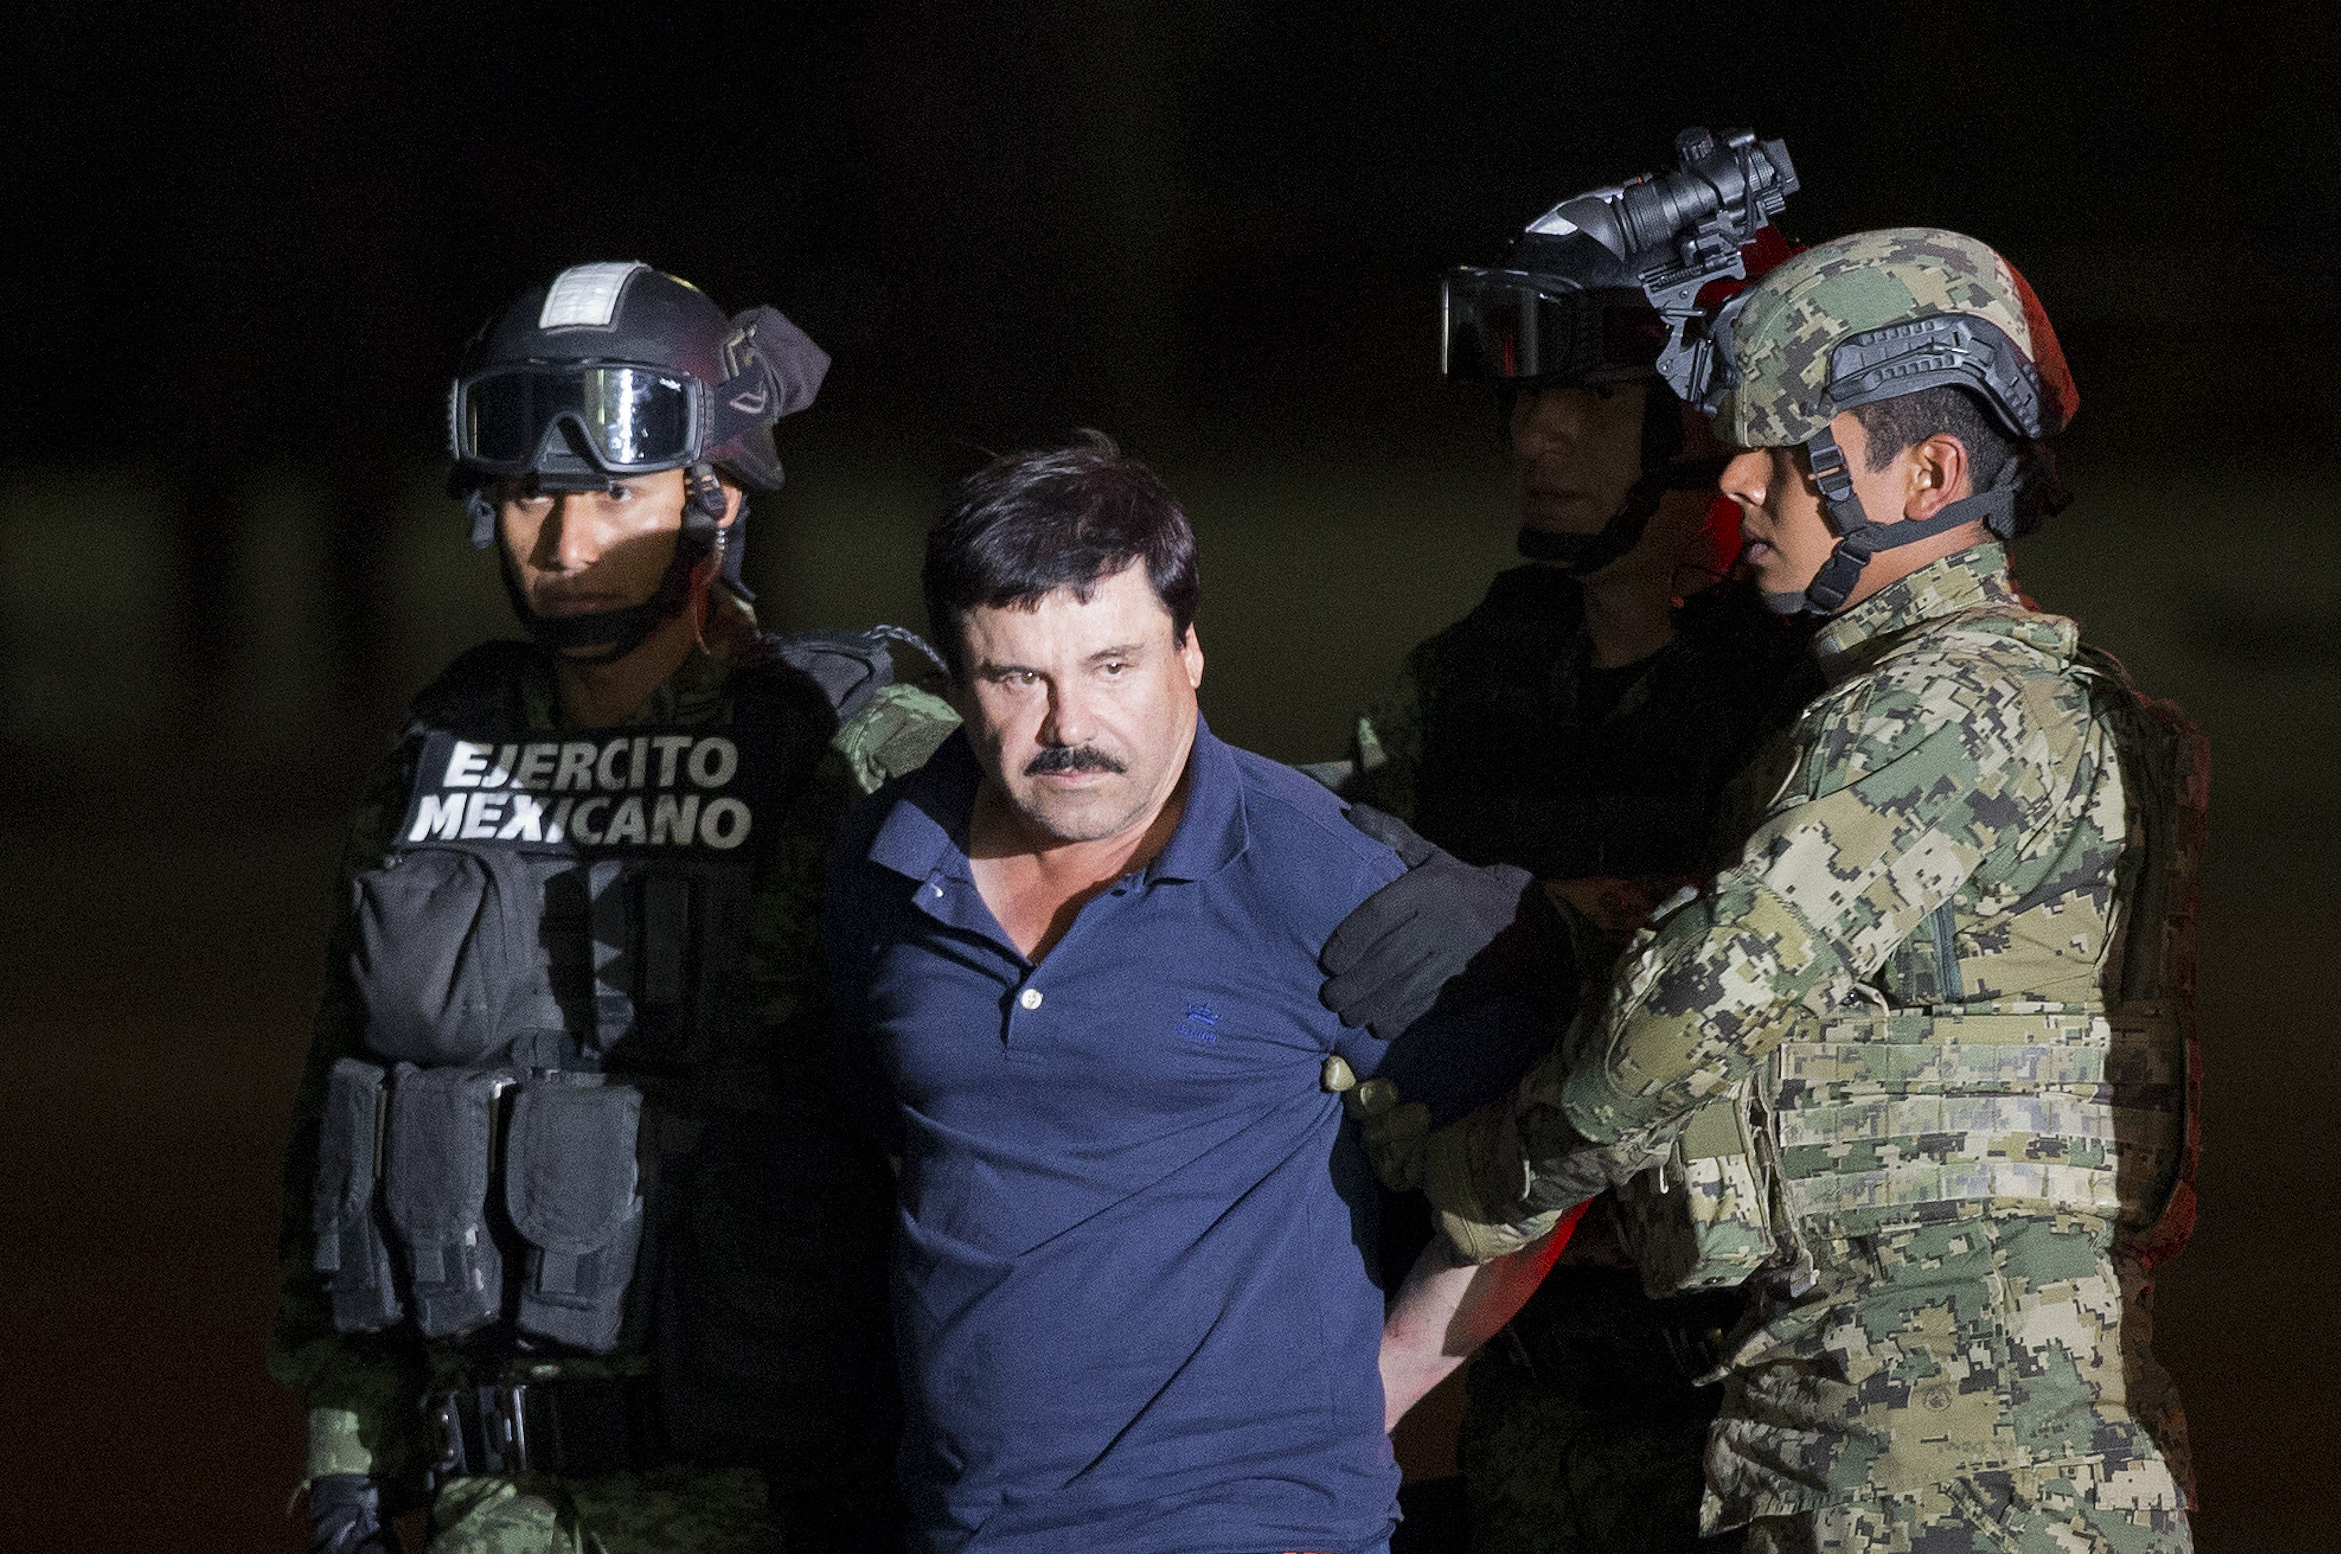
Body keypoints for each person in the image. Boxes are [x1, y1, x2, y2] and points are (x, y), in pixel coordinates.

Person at [1364, 229, 2202, 1554]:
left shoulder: (1940, 712)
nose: (1738, 481)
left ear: (1930, 473)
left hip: (1909, 1455)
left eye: (1791, 452)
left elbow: (1674, 1026)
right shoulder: (1985, 694)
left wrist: (1450, 1168)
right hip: (1952, 1436)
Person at [268, 260, 958, 1554]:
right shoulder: (443, 751)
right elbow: (345, 1108)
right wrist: (349, 1451)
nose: (564, 542)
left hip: (773, 1500)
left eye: (610, 494)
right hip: (495, 1507)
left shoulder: (851, 749)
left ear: (715, 496)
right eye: (528, 491)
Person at [824, 434, 1489, 1554]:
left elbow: (1552, 1154)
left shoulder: (1324, 878)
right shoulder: (887, 864)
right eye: (1016, 677)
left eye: (1112, 665)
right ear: (954, 682)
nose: (1069, 725)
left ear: (1188, 653)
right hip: (966, 1525)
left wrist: (1368, 1393)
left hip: (1257, 1527)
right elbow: (905, 1139)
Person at [1332, 155, 1812, 1554]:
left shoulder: (1810, 704)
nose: (1536, 435)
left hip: (1744, 1426)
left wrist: (1556, 924)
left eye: (1591, 397)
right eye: (1523, 396)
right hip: (1525, 1413)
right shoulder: (1469, 684)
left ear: (1713, 412)